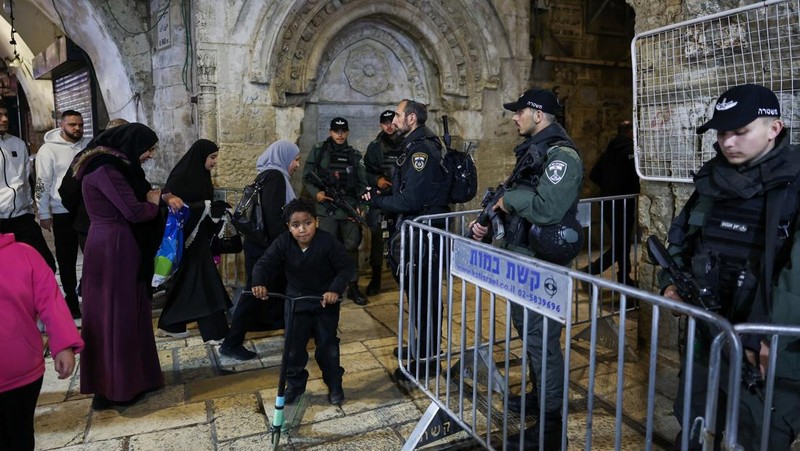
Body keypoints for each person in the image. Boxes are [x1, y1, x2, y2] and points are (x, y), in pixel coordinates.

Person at [659, 84, 800, 451]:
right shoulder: (712, 180)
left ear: (775, 128)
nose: (728, 142)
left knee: (759, 432)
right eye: (722, 133)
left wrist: (771, 333)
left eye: (740, 131)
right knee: (695, 418)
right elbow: (683, 237)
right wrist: (668, 282)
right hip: (708, 332)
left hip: (767, 344)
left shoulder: (795, 183)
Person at [467, 88, 583, 450]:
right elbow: (516, 199)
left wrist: (509, 200)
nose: (514, 118)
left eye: (519, 112)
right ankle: (538, 397)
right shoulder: (534, 153)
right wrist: (487, 221)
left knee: (542, 341)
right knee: (530, 336)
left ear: (538, 113)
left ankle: (551, 428)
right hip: (522, 257)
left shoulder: (562, 155)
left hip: (542, 265)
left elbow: (547, 209)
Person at [74, 123, 181, 410]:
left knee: (123, 312)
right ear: (131, 146)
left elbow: (140, 195)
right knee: (118, 315)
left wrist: (155, 196)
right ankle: (118, 387)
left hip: (113, 242)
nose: (150, 155)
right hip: (116, 245)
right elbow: (134, 210)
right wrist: (156, 204)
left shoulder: (113, 164)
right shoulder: (107, 169)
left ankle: (131, 379)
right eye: (148, 149)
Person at [362, 99, 451, 382]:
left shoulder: (420, 151)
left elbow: (411, 199)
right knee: (418, 297)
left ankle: (427, 362)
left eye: (399, 115)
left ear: (411, 118)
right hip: (420, 235)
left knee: (425, 299)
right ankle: (420, 349)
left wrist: (378, 201)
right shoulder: (414, 145)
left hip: (426, 238)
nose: (395, 120)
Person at [251, 198, 354, 406]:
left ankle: (334, 383)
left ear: (316, 222)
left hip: (324, 301)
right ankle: (296, 385)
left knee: (328, 346)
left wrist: (334, 290)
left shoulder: (328, 243)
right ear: (288, 227)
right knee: (293, 347)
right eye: (296, 225)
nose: (302, 230)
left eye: (307, 223)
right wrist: (259, 282)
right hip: (296, 300)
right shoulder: (283, 242)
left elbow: (345, 269)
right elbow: (264, 263)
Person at [0, 232, 84, 451]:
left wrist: (63, 344)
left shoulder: (24, 254)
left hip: (20, 372)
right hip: (22, 367)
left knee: (19, 434)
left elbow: (50, 301)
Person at [220, 139, 300, 360]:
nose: (296, 164)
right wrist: (285, 247)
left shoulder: (267, 174)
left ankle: (295, 331)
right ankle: (231, 342)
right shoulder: (275, 177)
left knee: (281, 288)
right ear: (284, 157)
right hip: (267, 249)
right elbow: (274, 219)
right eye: (295, 159)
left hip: (261, 245)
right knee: (254, 292)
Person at [157, 139, 233, 344]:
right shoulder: (181, 176)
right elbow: (174, 208)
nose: (215, 162)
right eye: (212, 157)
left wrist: (214, 208)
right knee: (203, 281)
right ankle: (215, 331)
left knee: (189, 282)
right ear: (201, 157)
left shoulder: (201, 175)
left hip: (199, 239)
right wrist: (206, 206)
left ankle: (171, 324)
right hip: (188, 239)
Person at [302, 117, 369, 306]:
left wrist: (361, 207)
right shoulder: (319, 150)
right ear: (330, 132)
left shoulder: (354, 155)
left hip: (348, 206)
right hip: (326, 208)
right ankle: (329, 286)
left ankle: (353, 285)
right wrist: (317, 194)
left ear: (347, 132)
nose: (340, 135)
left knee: (351, 246)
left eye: (343, 131)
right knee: (326, 247)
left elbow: (363, 185)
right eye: (336, 131)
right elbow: (307, 177)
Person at [35, 110, 91, 319]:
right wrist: (43, 212)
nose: (77, 128)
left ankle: (88, 295)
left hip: (85, 210)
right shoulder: (47, 150)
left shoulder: (87, 146)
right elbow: (43, 182)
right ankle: (70, 302)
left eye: (80, 125)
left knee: (92, 255)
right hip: (61, 212)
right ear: (62, 125)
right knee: (66, 260)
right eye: (72, 125)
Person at [0, 100, 56, 272]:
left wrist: (36, 209)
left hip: (22, 217)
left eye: (6, 115)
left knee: (46, 266)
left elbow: (27, 179)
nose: (4, 119)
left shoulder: (18, 143)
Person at [59, 117, 129, 249]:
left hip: (96, 226)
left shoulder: (120, 155)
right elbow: (67, 190)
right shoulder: (92, 157)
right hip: (94, 226)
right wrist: (83, 212)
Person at [584, 120, 639, 286]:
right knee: (621, 244)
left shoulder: (608, 152)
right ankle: (589, 272)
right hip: (622, 203)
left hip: (608, 202)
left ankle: (623, 277)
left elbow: (594, 174)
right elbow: (636, 176)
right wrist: (626, 188)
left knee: (620, 243)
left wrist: (609, 188)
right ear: (630, 132)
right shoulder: (630, 151)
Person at [363, 109, 403, 295]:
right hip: (381, 197)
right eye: (385, 122)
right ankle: (376, 277)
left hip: (400, 197)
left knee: (402, 235)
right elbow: (366, 171)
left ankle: (402, 273)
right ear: (380, 125)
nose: (388, 126)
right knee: (377, 237)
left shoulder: (406, 143)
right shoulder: (374, 146)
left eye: (391, 122)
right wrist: (376, 180)